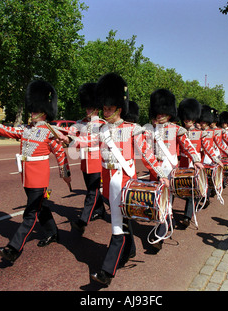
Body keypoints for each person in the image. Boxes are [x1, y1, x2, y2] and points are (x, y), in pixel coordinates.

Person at [57, 73, 169, 286]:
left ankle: (107, 272)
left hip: (125, 182)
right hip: (109, 184)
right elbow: (87, 140)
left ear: (119, 108)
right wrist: (70, 138)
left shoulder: (132, 130)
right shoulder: (101, 129)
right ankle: (130, 250)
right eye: (104, 108)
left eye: (109, 108)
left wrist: (162, 176)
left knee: (117, 227)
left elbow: (147, 156)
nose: (105, 112)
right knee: (124, 221)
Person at [0, 80, 71, 263]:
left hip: (39, 178)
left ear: (44, 111)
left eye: (35, 110)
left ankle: (13, 249)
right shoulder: (26, 130)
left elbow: (60, 153)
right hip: (26, 176)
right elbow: (7, 130)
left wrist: (65, 174)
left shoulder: (50, 132)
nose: (32, 113)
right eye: (31, 110)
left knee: (30, 214)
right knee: (41, 207)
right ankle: (53, 233)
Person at [144, 89, 204, 248]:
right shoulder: (149, 129)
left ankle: (160, 234)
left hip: (169, 169)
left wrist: (196, 160)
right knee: (158, 201)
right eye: (158, 111)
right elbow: (146, 150)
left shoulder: (177, 129)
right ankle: (167, 223)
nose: (159, 114)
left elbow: (188, 146)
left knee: (166, 200)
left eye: (162, 111)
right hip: (154, 169)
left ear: (169, 113)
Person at [67, 83, 106, 234]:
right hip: (85, 161)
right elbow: (70, 132)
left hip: (97, 160)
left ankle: (83, 220)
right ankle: (100, 210)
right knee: (91, 189)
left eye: (91, 108)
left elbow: (95, 140)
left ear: (97, 108)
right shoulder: (80, 123)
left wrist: (74, 141)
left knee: (92, 191)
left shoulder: (102, 124)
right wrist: (64, 136)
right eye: (87, 107)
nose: (88, 110)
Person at [177, 98, 203, 228]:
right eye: (186, 119)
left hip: (194, 165)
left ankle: (187, 217)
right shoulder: (179, 131)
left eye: (189, 119)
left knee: (191, 191)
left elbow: (206, 148)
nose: (187, 121)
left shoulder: (200, 133)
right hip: (182, 164)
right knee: (180, 190)